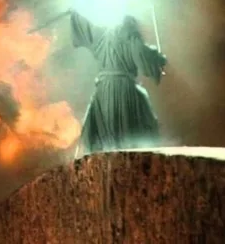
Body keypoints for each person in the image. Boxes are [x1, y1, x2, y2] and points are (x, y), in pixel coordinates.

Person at [69, 9, 167, 156]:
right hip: (124, 90)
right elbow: (142, 57)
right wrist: (157, 59)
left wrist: (76, 14)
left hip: (103, 91)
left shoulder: (102, 35)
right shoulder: (130, 36)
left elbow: (86, 28)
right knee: (131, 132)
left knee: (105, 136)